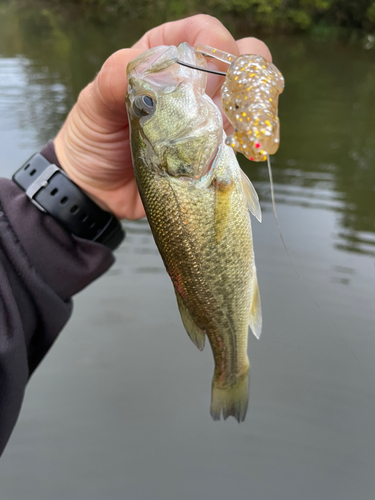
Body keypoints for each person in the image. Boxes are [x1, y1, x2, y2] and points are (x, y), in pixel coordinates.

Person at [0, 14, 271, 455]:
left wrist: (72, 176)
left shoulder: (197, 164)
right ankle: (232, 368)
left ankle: (229, 365)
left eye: (144, 106)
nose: (147, 98)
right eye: (146, 107)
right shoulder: (200, 166)